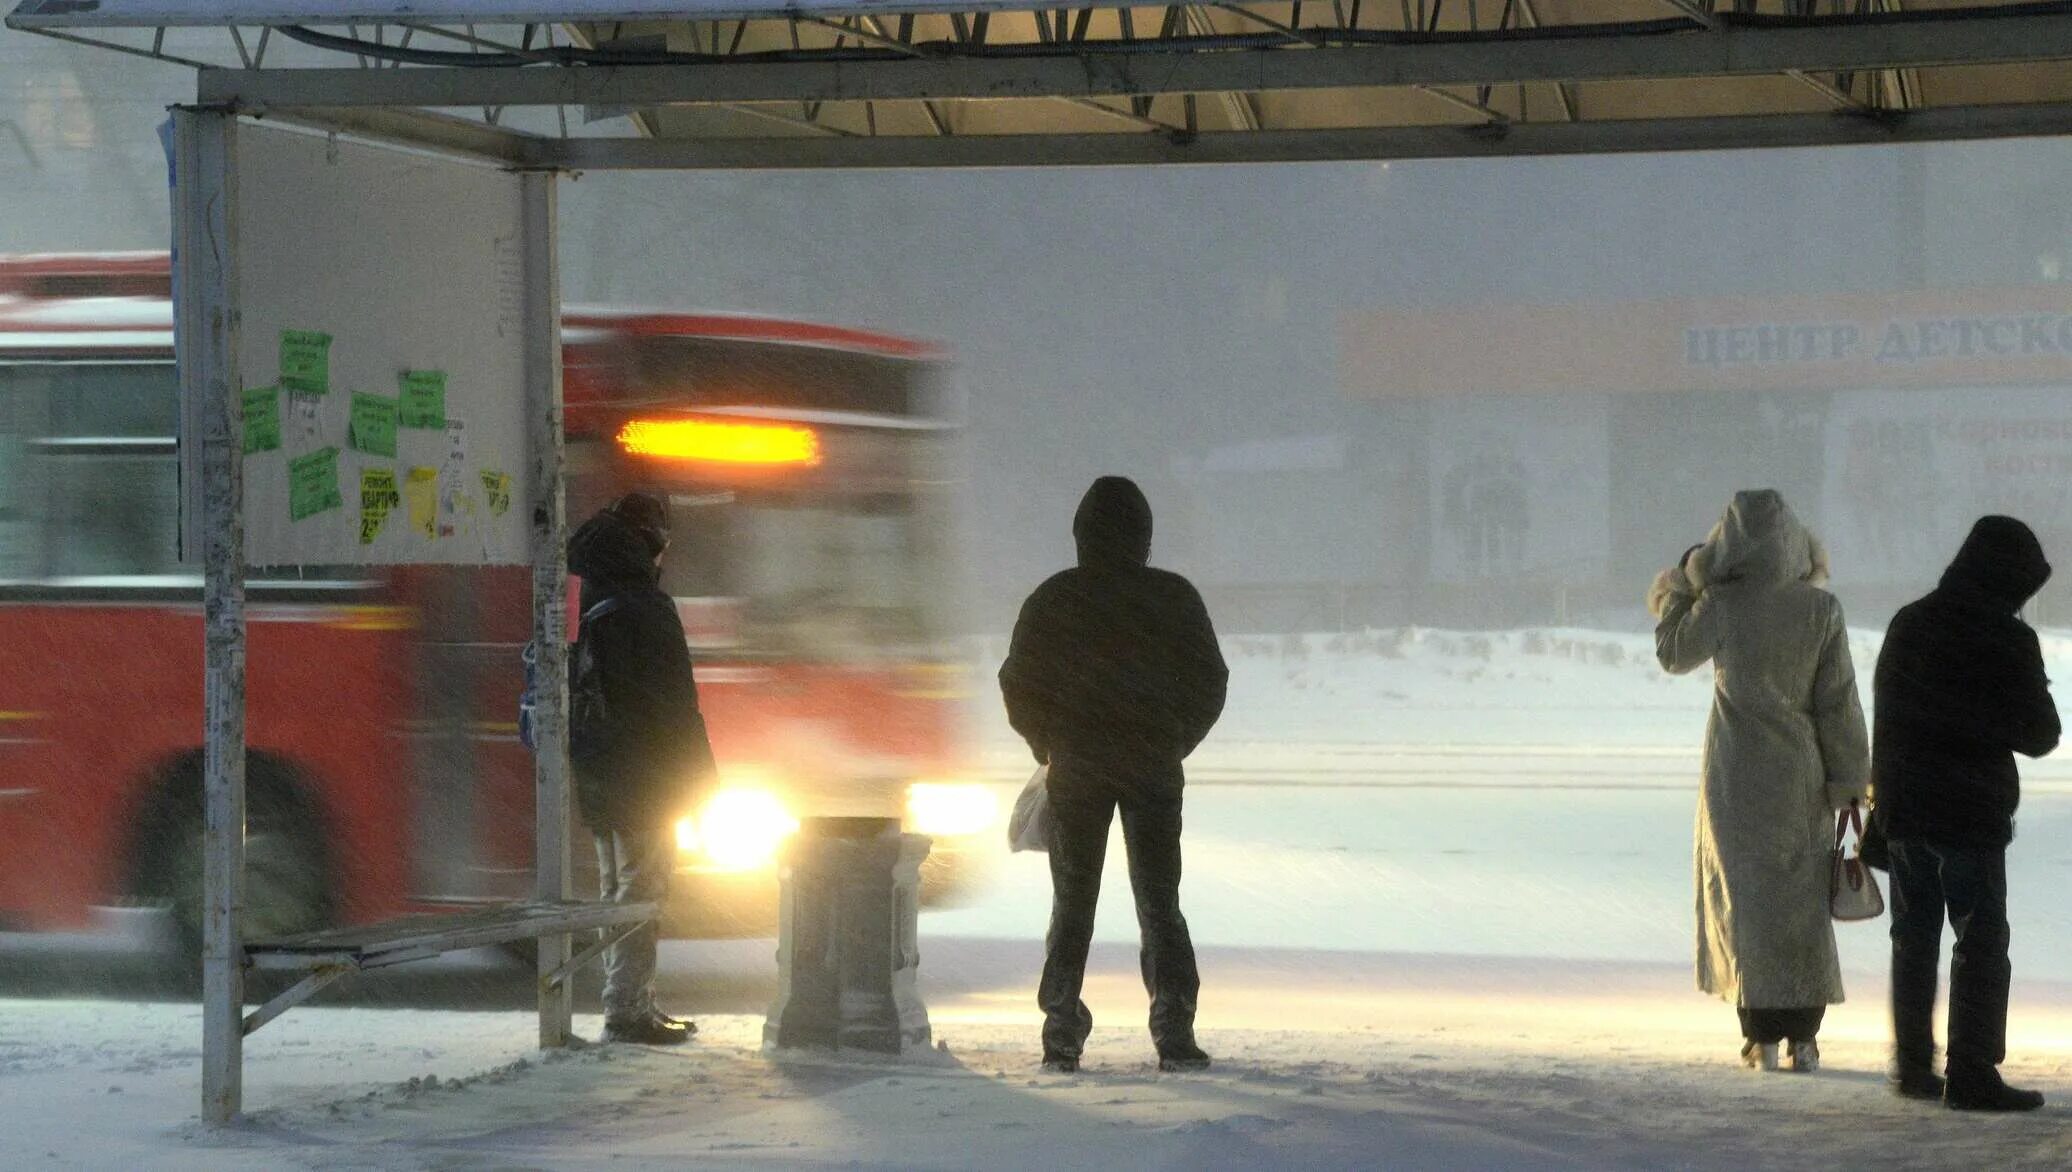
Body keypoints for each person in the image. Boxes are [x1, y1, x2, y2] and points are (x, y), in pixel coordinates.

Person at [1000, 476, 1228, 1074]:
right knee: (1160, 901)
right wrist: (1175, 741)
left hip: (1076, 769)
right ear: (1145, 537)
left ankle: (1062, 1029)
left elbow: (1017, 681)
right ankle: (1174, 1029)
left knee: (1073, 903)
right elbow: (1210, 681)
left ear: (1081, 535)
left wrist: (1047, 743)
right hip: (1153, 769)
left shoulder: (1054, 598)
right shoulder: (1174, 598)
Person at [1649, 489, 1869, 1073]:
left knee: (1746, 903)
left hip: (1735, 773)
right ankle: (1805, 1037)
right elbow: (1840, 703)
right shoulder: (1821, 611)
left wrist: (1678, 592)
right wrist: (1850, 783)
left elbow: (1672, 655)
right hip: (1803, 774)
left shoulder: (1721, 605)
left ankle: (1760, 1036)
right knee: (1801, 903)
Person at [1871, 516, 2059, 1111]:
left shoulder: (1910, 622)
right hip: (1970, 812)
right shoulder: (2007, 638)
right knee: (1979, 941)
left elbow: (1886, 719)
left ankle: (1911, 1068)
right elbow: (2041, 734)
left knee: (1913, 938)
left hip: (1904, 811)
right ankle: (1972, 1073)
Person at [565, 492, 717, 1046]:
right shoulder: (646, 607)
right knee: (642, 891)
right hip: (645, 777)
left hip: (601, 769)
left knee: (617, 889)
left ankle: (625, 1001)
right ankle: (627, 1010)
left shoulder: (591, 594)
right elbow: (677, 708)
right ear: (655, 542)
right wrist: (703, 783)